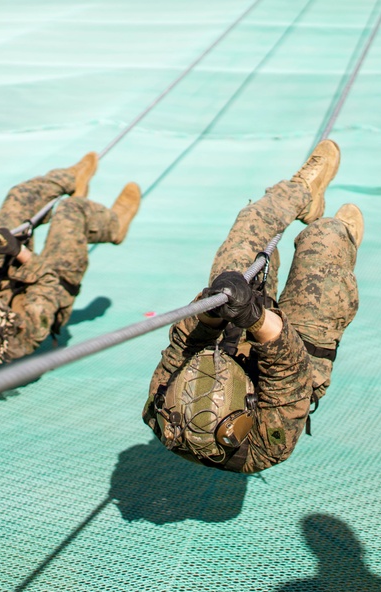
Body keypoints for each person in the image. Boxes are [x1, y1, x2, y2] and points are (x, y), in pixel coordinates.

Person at [142, 139, 362, 474]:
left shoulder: (162, 405)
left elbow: (183, 344)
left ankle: (303, 191)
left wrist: (211, 311)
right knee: (325, 238)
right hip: (293, 368)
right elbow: (287, 370)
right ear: (246, 407)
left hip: (225, 345)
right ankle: (342, 236)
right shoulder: (267, 443)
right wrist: (255, 317)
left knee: (250, 230)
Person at [0, 153, 140, 363]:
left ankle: (70, 179)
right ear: (3, 322)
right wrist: (19, 252)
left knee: (20, 196)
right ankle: (115, 227)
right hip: (54, 285)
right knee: (72, 211)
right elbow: (46, 281)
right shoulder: (23, 334)